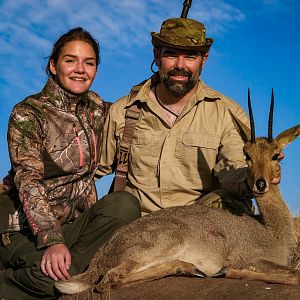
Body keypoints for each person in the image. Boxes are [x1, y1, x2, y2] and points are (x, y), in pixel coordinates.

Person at [0, 27, 141, 299]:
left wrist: (165, 70)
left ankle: (70, 267)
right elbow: (28, 180)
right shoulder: (28, 113)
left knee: (125, 204)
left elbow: (135, 108)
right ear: (53, 66)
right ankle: (10, 281)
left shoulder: (99, 109)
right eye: (70, 60)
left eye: (89, 63)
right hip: (21, 229)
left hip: (72, 227)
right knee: (58, 281)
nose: (80, 69)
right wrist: (52, 241)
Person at [97, 17, 282, 215]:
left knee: (227, 205)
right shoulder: (123, 111)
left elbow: (234, 166)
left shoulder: (227, 114)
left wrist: (257, 173)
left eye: (190, 56)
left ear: (204, 59)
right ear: (156, 56)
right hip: (137, 230)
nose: (180, 65)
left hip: (198, 230)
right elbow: (89, 172)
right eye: (171, 54)